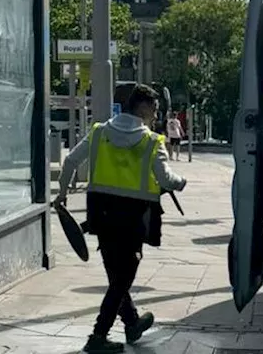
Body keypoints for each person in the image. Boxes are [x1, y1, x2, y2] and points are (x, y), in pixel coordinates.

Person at [54, 84, 187, 353]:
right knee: (123, 278)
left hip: (101, 215)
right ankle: (97, 336)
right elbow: (165, 179)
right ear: (144, 108)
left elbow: (69, 162)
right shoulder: (151, 141)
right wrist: (181, 182)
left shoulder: (99, 133)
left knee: (116, 273)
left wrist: (62, 194)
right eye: (155, 109)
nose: (156, 114)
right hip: (133, 217)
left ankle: (132, 322)